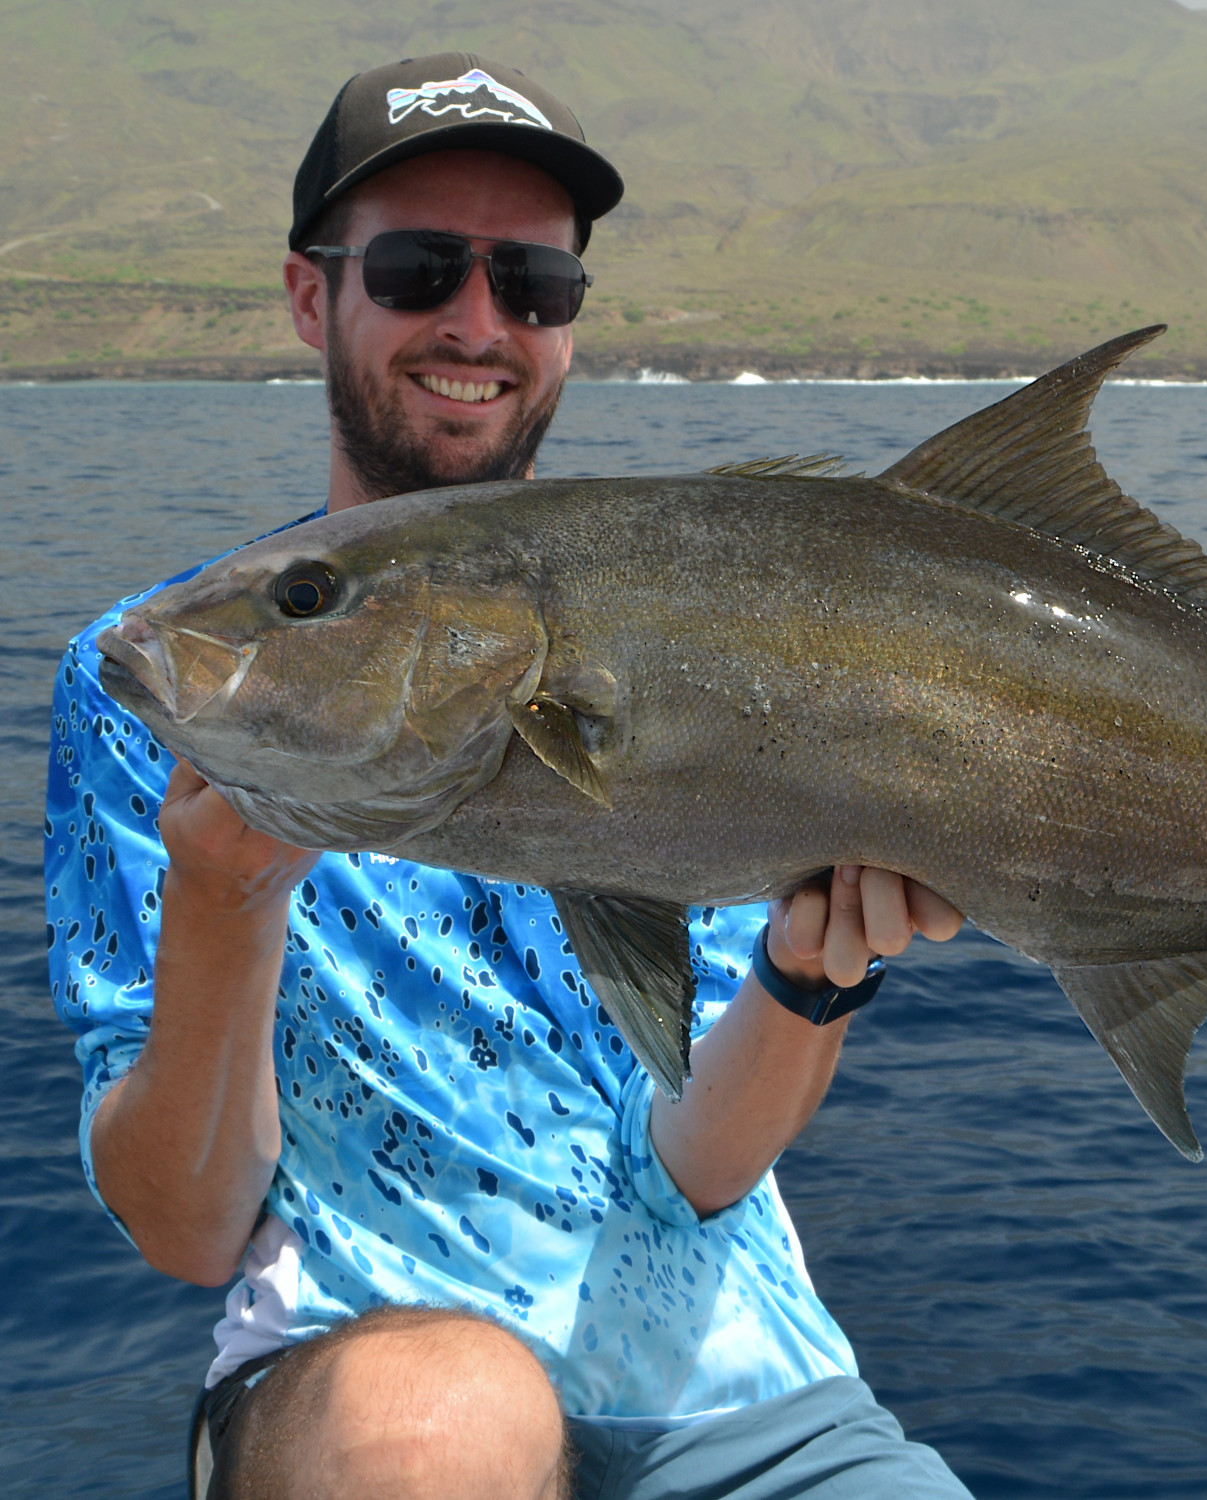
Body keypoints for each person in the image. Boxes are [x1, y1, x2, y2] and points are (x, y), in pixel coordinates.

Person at [45, 54, 972, 1500]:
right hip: (366, 1385)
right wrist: (224, 905)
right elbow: (184, 1230)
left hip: (750, 1391)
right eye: (420, 269)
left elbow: (694, 1169)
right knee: (454, 1424)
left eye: (533, 285)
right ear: (312, 295)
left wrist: (808, 975)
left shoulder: (710, 642)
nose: (478, 323)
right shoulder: (158, 672)